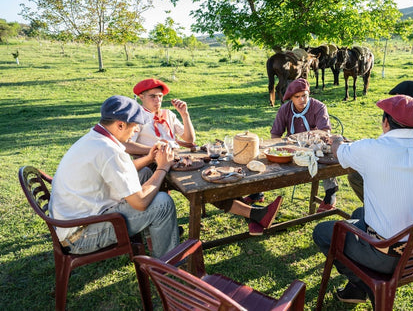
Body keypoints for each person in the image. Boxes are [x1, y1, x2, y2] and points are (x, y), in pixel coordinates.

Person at [313, 95, 413, 305]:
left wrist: (337, 139)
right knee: (358, 214)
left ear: (385, 122)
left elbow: (339, 151)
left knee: (321, 232)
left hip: (388, 256)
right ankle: (357, 289)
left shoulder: (371, 149)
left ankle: (367, 286)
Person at [126, 78, 282, 236]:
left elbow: (189, 139)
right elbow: (126, 145)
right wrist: (153, 150)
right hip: (156, 163)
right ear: (141, 97)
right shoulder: (136, 119)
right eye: (152, 96)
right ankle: (255, 215)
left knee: (214, 174)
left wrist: (184, 114)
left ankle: (255, 215)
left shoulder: (168, 114)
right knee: (203, 183)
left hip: (181, 160)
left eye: (160, 96)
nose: (157, 100)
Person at [50, 95, 180, 258]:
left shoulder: (96, 138)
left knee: (145, 173)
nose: (137, 130)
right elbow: (140, 203)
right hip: (80, 236)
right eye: (135, 126)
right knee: (163, 203)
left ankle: (155, 238)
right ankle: (167, 264)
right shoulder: (109, 151)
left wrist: (148, 159)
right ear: (120, 125)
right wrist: (162, 167)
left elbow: (119, 170)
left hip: (74, 222)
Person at [347, 80, 413, 202]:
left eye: (399, 101)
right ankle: (377, 208)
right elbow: (387, 142)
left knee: (364, 175)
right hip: (400, 168)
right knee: (356, 175)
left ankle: (382, 209)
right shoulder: (399, 119)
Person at [270, 78, 338, 212]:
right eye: (297, 97)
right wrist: (279, 149)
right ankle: (257, 193)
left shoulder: (318, 107)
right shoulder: (284, 109)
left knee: (324, 157)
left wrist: (312, 139)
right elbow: (275, 135)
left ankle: (331, 193)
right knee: (270, 158)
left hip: (315, 146)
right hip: (292, 149)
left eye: (304, 96)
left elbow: (325, 132)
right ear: (291, 98)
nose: (302, 100)